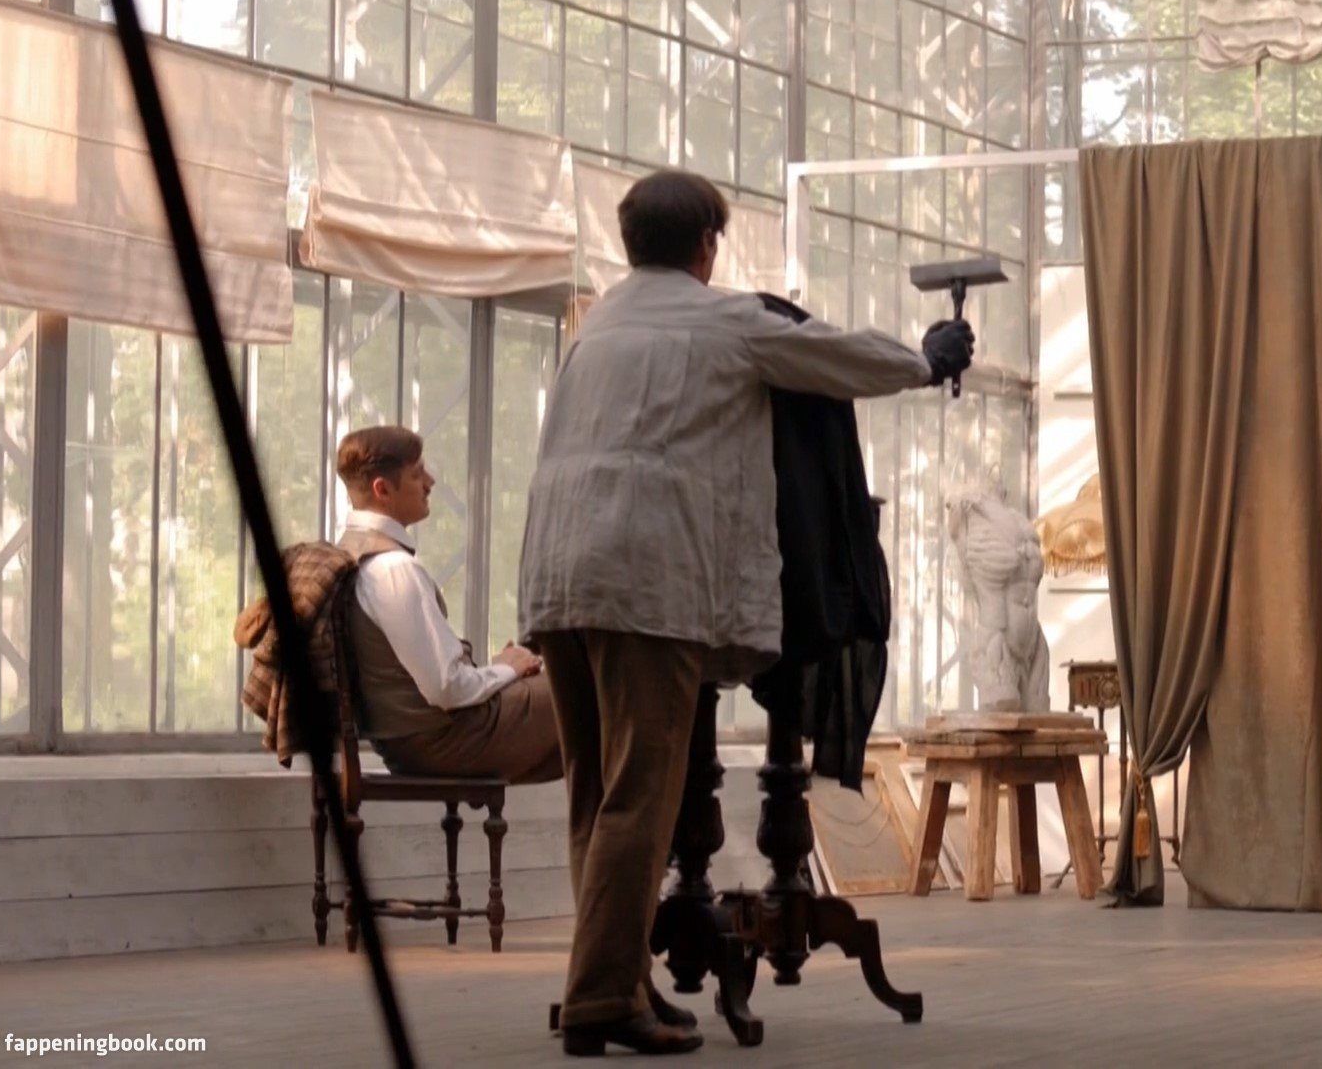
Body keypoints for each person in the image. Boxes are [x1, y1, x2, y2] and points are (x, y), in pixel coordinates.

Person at [518, 170, 973, 1057]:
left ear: (630, 243)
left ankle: (612, 979)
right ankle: (602, 999)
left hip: (559, 578)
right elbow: (833, 357)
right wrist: (927, 360)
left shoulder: (595, 327)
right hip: (647, 587)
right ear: (706, 247)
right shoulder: (721, 320)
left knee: (593, 798)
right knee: (639, 800)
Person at [333, 426, 562, 784]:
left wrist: (501, 669)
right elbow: (447, 688)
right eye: (417, 473)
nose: (430, 482)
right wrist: (507, 670)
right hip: (445, 741)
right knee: (598, 691)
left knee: (584, 705)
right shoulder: (393, 570)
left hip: (410, 742)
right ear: (383, 490)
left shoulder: (351, 553)